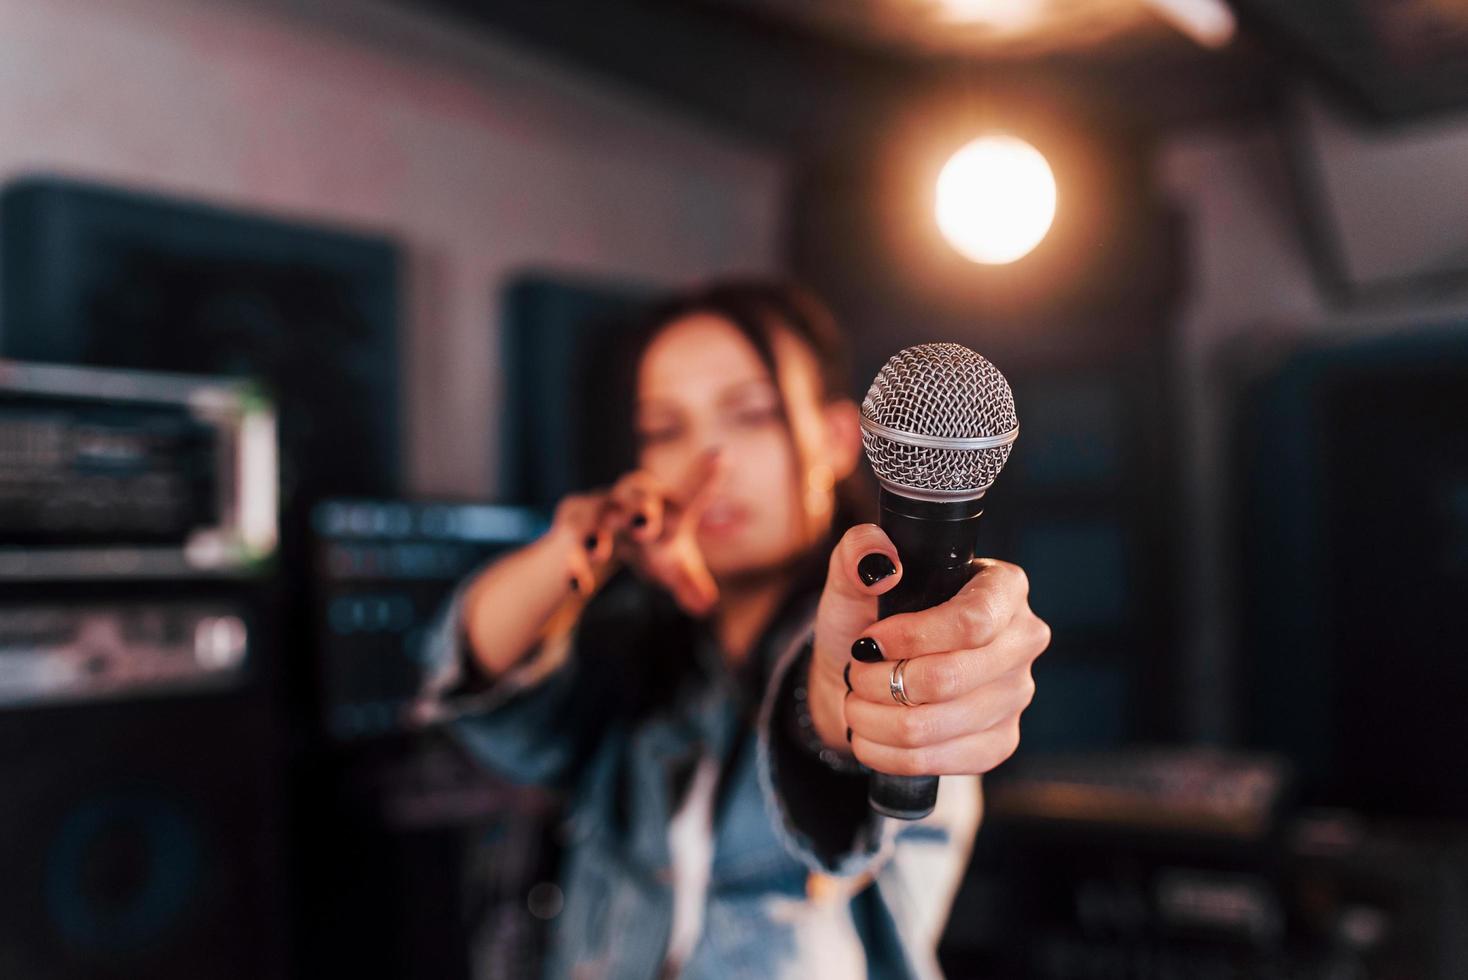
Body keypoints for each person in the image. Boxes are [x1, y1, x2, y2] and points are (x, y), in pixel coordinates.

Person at [411, 281, 1051, 979]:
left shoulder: (898, 623)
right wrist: (580, 546)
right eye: (664, 429)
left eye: (750, 415)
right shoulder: (631, 649)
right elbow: (469, 675)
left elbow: (835, 729)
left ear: (837, 439)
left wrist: (869, 699)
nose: (709, 461)